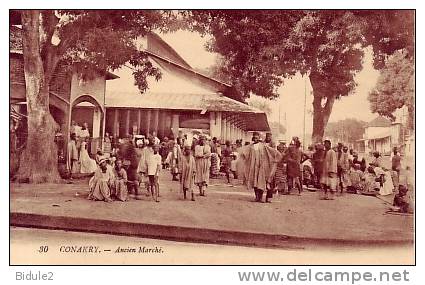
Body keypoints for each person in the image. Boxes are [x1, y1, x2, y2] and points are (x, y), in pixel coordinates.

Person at [240, 132, 281, 203]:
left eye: (257, 138)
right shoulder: (250, 147)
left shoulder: (263, 146)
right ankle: (257, 197)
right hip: (253, 167)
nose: (255, 139)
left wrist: (277, 155)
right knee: (254, 182)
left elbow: (271, 151)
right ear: (253, 138)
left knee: (260, 182)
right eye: (254, 138)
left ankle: (261, 197)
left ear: (259, 138)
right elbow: (243, 153)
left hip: (261, 167)